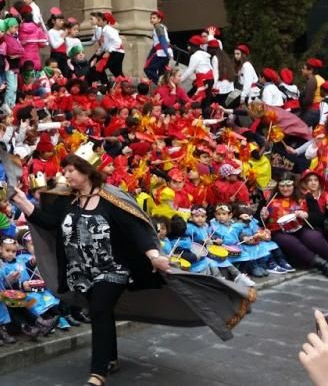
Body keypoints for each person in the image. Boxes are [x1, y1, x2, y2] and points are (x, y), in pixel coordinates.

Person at [14, 153, 253, 386]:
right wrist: (21, 201)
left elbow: (136, 231)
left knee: (99, 309)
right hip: (81, 272)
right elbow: (48, 223)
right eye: (64, 171)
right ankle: (110, 358)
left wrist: (153, 256)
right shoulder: (68, 201)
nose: (65, 175)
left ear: (86, 171)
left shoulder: (111, 200)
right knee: (102, 312)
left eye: (70, 170)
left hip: (112, 268)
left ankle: (97, 373)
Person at [263, 176, 328, 276]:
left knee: (313, 237)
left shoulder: (306, 197)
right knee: (290, 242)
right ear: (278, 186)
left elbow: (319, 217)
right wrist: (263, 216)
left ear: (294, 185)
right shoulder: (270, 199)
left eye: (288, 185)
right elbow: (260, 220)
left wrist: (307, 215)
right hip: (279, 231)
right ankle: (322, 265)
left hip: (301, 227)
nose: (285, 189)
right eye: (282, 186)